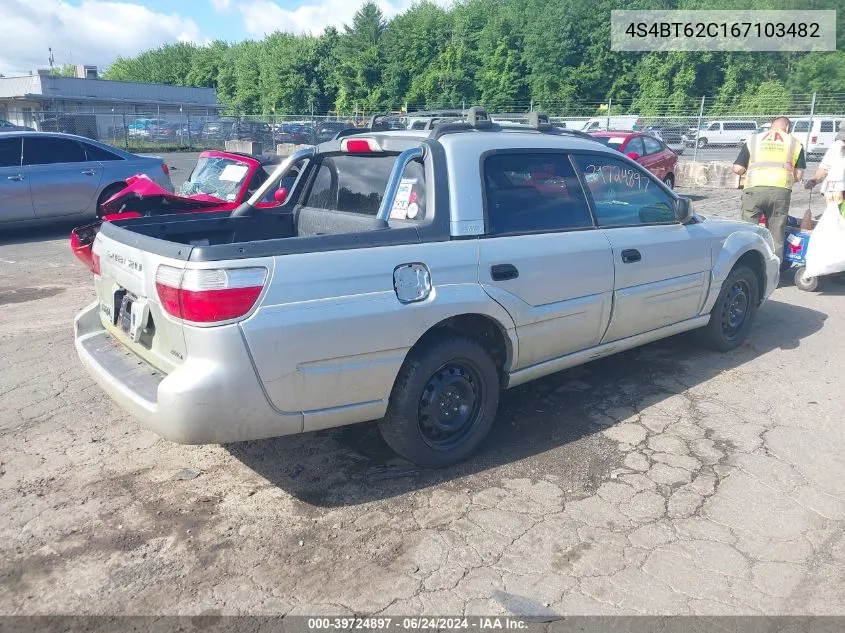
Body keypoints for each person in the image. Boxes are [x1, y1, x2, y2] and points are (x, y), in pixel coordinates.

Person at [733, 116, 806, 258]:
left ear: (770, 127)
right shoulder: (795, 143)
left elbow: (738, 169)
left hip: (754, 189)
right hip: (780, 191)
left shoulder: (754, 139)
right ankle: (773, 274)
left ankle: (747, 265)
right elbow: (798, 175)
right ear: (788, 128)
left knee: (748, 231)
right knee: (776, 234)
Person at [804, 120, 845, 212]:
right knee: (834, 218)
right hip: (834, 191)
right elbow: (824, 167)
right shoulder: (836, 146)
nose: (842, 141)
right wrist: (814, 180)